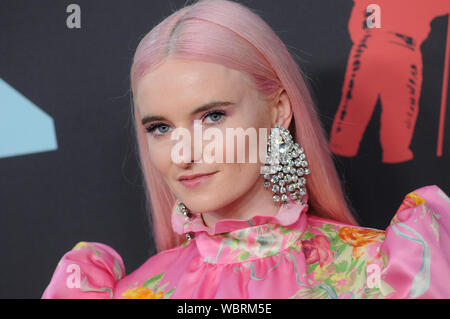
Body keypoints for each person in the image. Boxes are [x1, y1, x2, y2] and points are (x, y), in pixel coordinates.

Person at [41, 0, 450, 299]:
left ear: (279, 110)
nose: (183, 153)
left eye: (213, 116)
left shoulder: (385, 275)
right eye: (160, 127)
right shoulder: (127, 293)